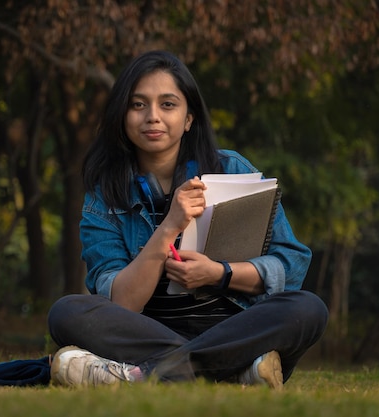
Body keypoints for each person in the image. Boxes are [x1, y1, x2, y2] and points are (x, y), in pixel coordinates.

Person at [47, 50, 328, 389]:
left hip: (234, 328)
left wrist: (219, 273)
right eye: (138, 105)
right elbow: (123, 302)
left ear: (189, 118)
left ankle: (144, 374)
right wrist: (169, 227)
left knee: (308, 308)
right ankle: (234, 370)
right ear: (122, 115)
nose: (153, 117)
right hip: (145, 334)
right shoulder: (105, 191)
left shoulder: (232, 169)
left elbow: (291, 265)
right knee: (66, 312)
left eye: (168, 104)